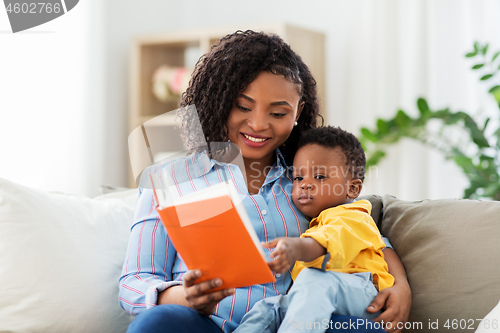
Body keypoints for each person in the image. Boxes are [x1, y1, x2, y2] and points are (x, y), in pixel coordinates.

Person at [119, 30, 411, 333]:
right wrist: (186, 297)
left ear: (298, 112)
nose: (258, 124)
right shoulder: (169, 181)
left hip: (294, 324)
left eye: (278, 112)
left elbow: (365, 236)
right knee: (157, 323)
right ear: (219, 101)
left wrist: (401, 286)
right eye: (243, 107)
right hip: (206, 324)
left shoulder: (308, 180)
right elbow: (134, 282)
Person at [233, 126, 394, 333]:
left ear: (352, 188)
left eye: (319, 177)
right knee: (268, 307)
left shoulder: (353, 216)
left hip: (364, 293)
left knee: (314, 279)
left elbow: (325, 242)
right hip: (322, 295)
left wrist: (296, 248)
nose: (305, 185)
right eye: (298, 178)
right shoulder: (315, 220)